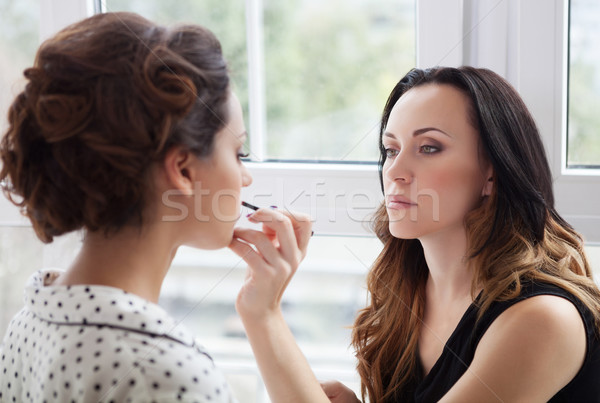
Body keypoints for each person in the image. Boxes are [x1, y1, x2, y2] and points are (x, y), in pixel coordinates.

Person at [231, 66, 600, 403]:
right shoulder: (409, 290)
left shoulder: (541, 320)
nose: (395, 171)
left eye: (428, 148)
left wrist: (264, 314)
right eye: (391, 149)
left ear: (492, 172)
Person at [0, 12, 311, 402]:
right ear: (182, 169)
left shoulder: (29, 320)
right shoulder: (166, 374)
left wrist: (262, 313)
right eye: (238, 151)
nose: (245, 178)